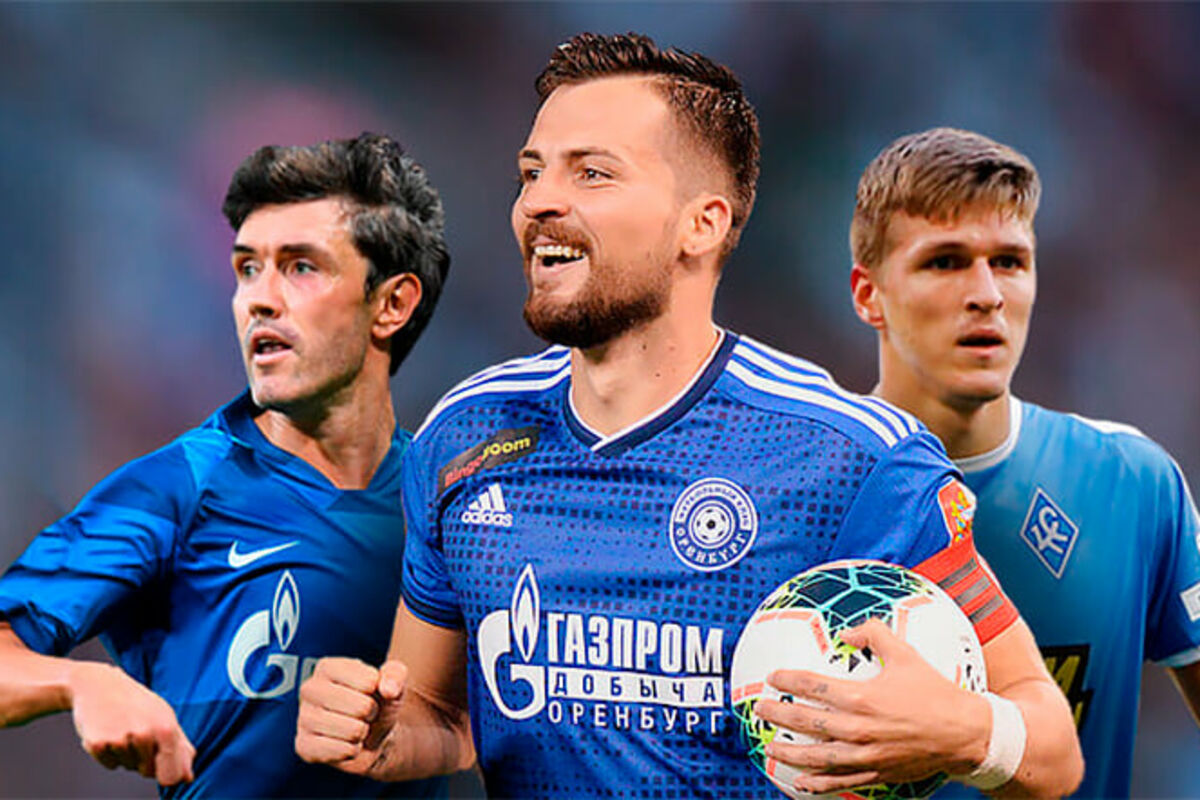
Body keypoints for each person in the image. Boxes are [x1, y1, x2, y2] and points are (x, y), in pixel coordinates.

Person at [295, 34, 1080, 798]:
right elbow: (446, 715)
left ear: (700, 225)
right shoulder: (464, 436)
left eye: (592, 173)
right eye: (531, 173)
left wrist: (969, 733)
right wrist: (381, 729)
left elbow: (1051, 749)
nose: (538, 202)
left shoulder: (852, 459)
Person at [0, 133, 450, 798]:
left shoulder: (451, 504)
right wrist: (81, 682)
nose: (259, 299)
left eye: (301, 267)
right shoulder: (176, 490)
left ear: (393, 304)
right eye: (247, 269)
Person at [847, 126, 1200, 797]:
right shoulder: (796, 488)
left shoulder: (1135, 485)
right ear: (869, 295)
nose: (986, 294)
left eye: (1009, 262)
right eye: (945, 262)